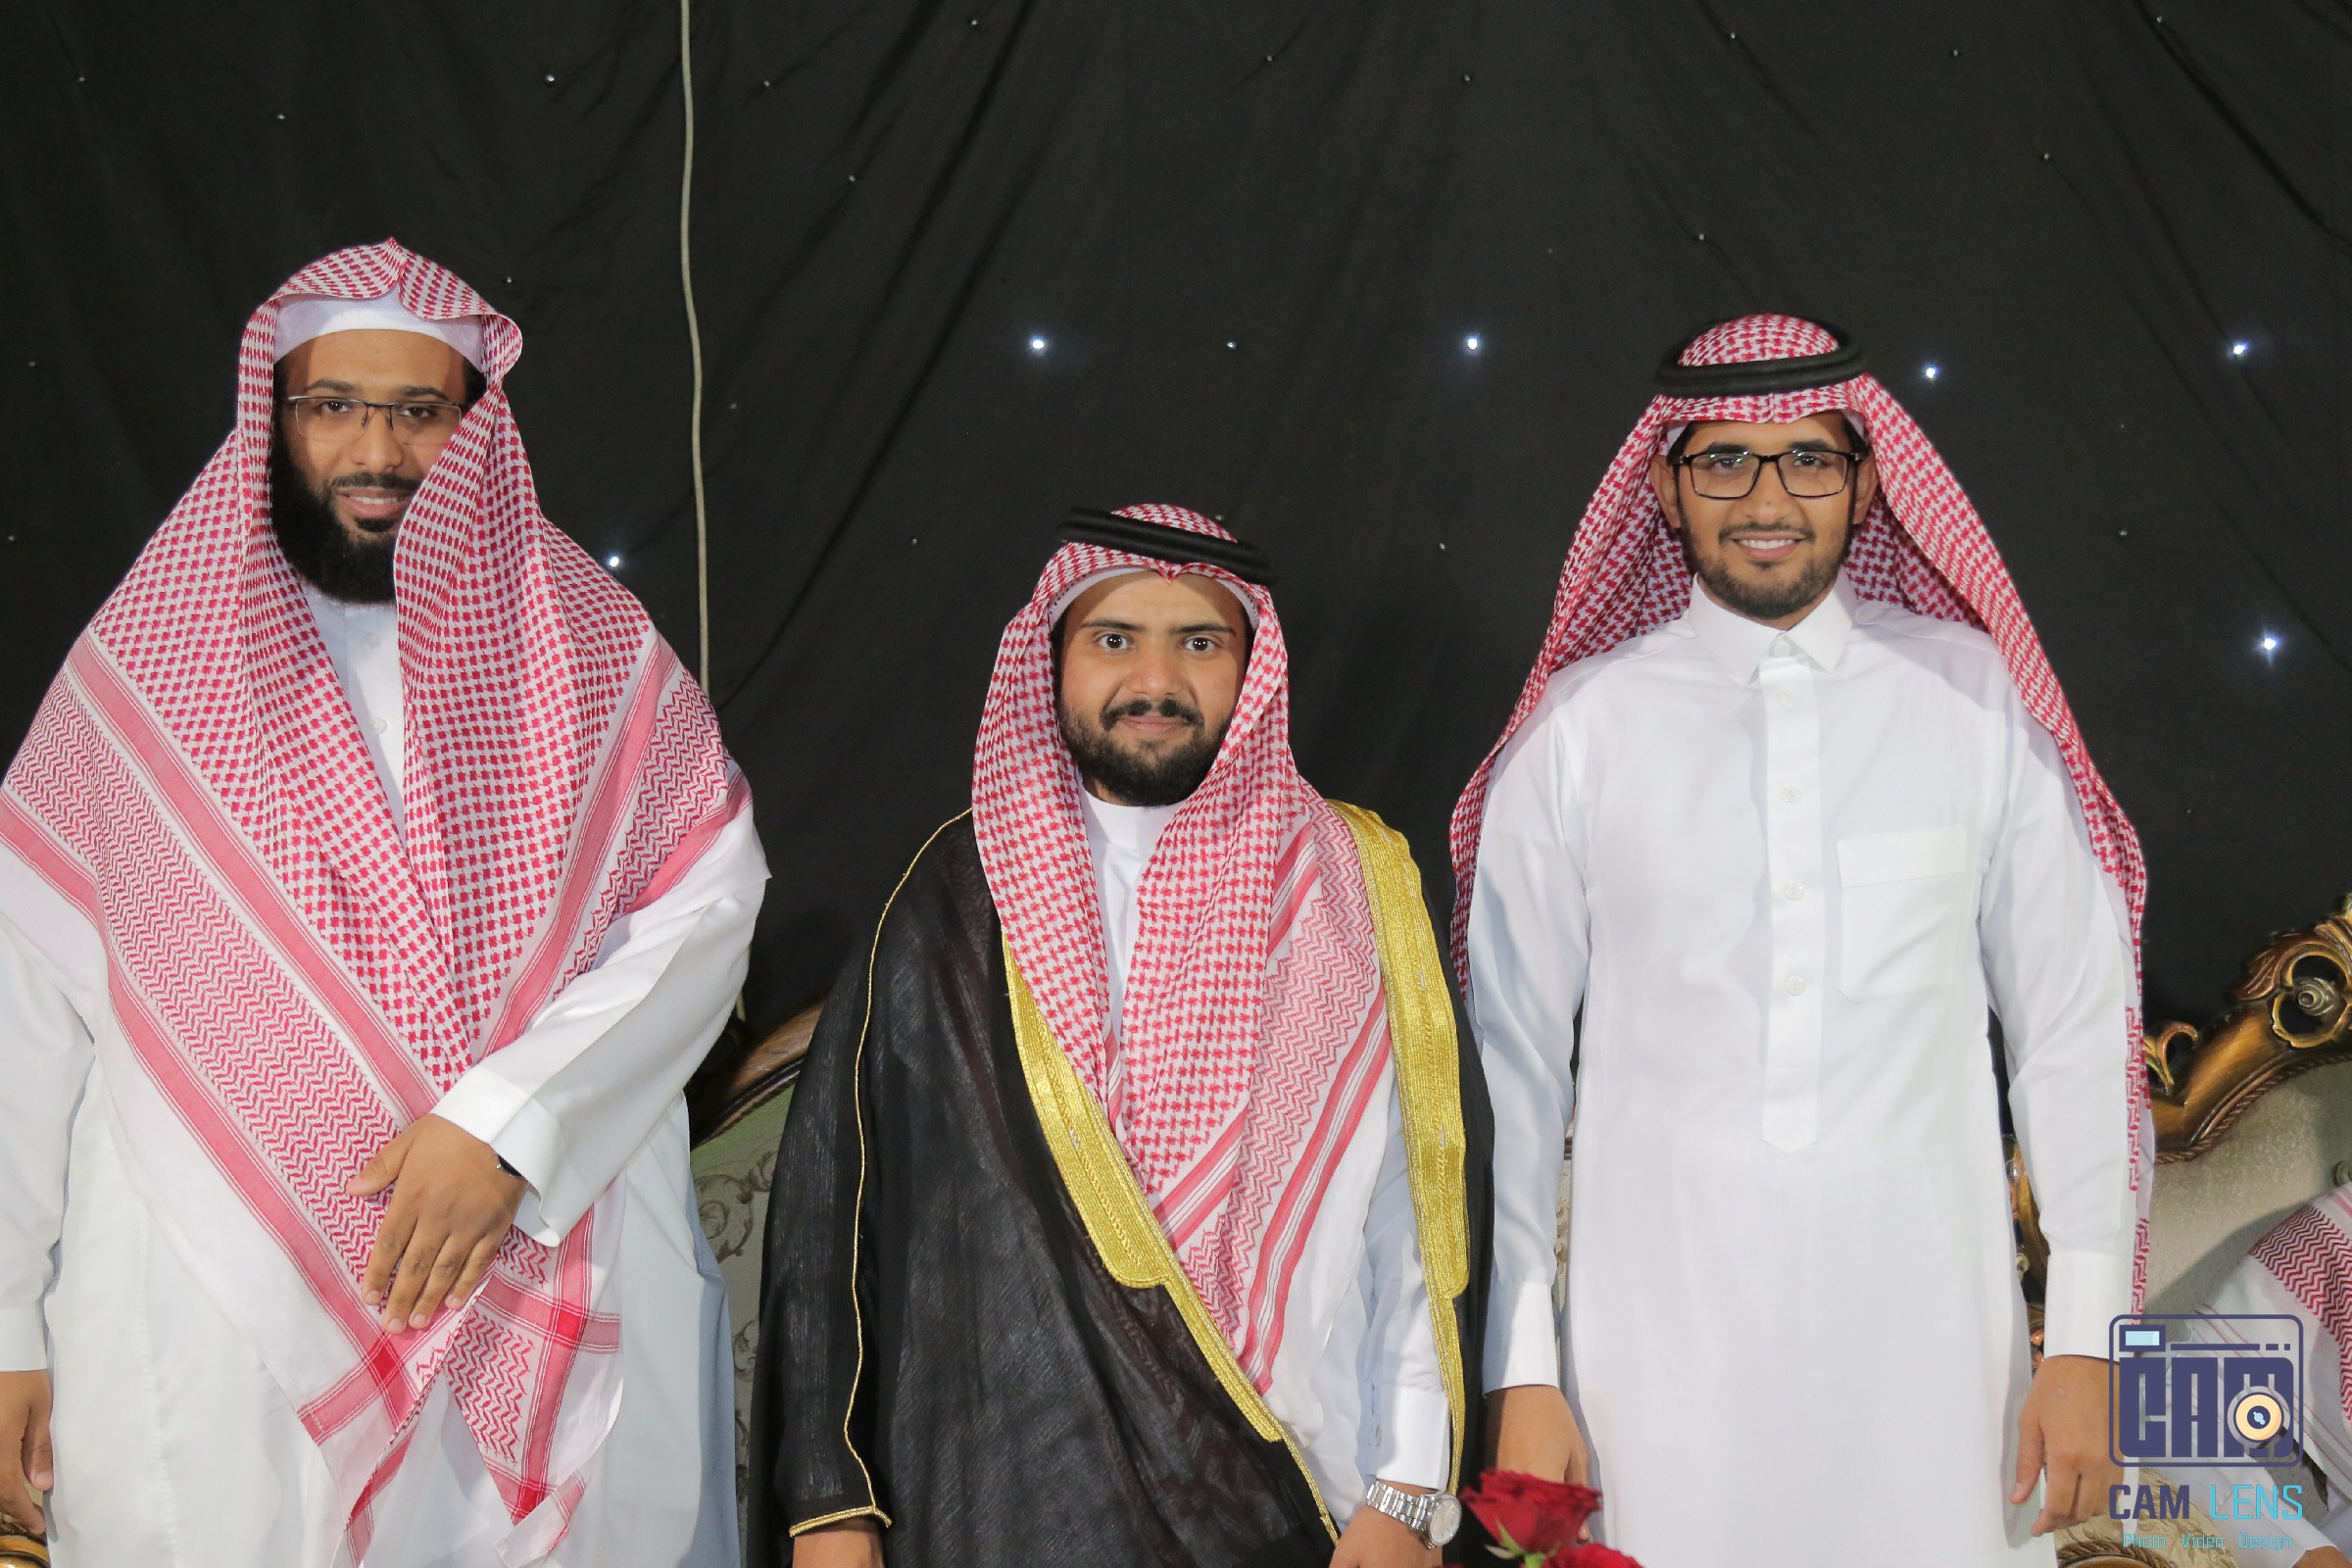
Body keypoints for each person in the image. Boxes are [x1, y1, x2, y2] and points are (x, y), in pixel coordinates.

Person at [0, 240, 762, 1566]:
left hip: (536, 1243)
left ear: (473, 426)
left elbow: (704, 911)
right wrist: (5, 1326)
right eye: (334, 405)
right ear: (276, 415)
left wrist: (507, 1132)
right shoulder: (145, 669)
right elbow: (22, 1012)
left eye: (418, 411)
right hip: (215, 1312)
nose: (376, 449)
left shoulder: (591, 649)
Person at [1454, 315, 2147, 1566]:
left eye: (1809, 459)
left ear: (1868, 482)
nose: (1767, 500)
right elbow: (1512, 1073)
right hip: (1655, 1373)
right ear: (1663, 484)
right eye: (1724, 460)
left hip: (1937, 1367)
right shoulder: (1580, 730)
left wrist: (2091, 1338)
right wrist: (1523, 1368)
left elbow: (2071, 1027)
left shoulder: (1975, 701)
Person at [748, 506, 1488, 1568]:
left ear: (1252, 667)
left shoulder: (1352, 890)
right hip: (1000, 1507)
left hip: (1303, 1503)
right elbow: (833, 1218)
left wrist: (1409, 1488)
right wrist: (831, 1504)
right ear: (1052, 660)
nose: (1155, 679)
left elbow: (1414, 1223)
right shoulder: (954, 902)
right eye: (1113, 638)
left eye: (1200, 642)